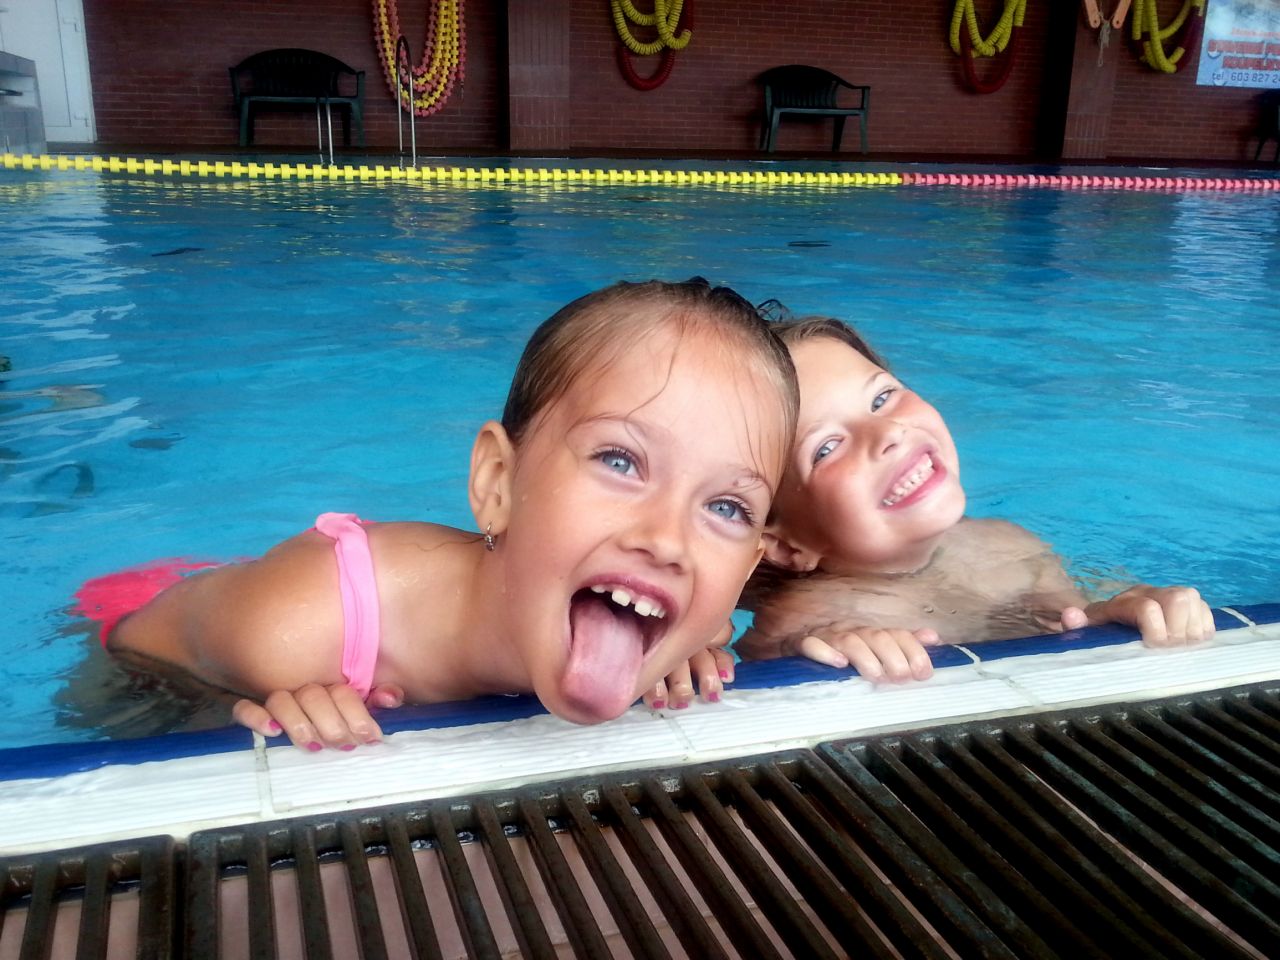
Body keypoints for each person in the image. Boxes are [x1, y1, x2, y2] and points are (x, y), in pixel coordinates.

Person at [77, 278, 798, 749]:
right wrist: (232, 712)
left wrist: (680, 651)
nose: (669, 541)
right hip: (148, 616)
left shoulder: (676, 624)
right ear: (497, 483)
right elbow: (133, 656)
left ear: (748, 567)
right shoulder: (296, 628)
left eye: (727, 507)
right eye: (619, 461)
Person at [734, 314, 1214, 682]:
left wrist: (1122, 614)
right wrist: (820, 651)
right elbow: (765, 687)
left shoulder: (1007, 542)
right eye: (826, 448)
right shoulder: (807, 619)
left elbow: (1068, 629)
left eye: (882, 398)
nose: (888, 433)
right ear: (786, 543)